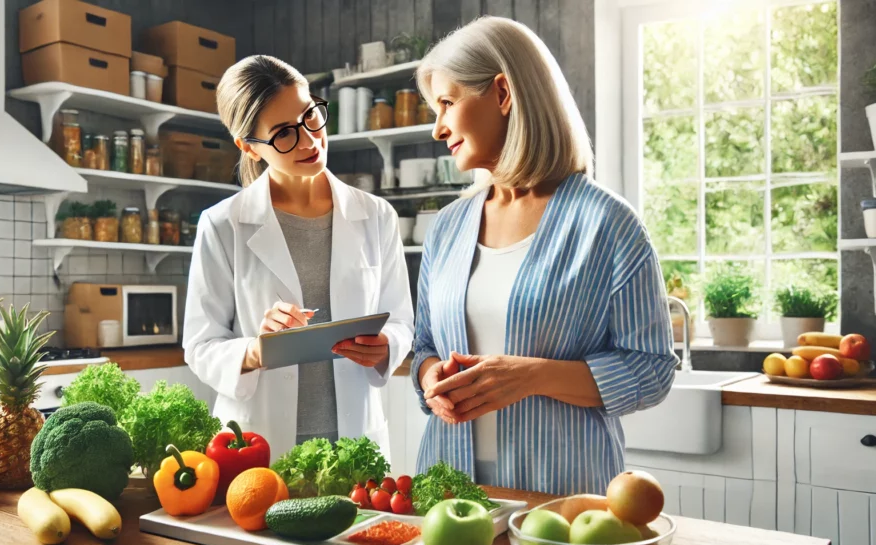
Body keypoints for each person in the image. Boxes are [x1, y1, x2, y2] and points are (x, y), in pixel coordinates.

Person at [411, 17, 678, 495]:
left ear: (502, 94)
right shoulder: (447, 227)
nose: (438, 128)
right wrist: (432, 379)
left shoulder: (608, 224)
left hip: (565, 497)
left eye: (447, 103)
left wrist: (532, 376)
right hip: (448, 492)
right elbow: (425, 345)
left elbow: (652, 368)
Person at [184, 55, 414, 460]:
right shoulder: (223, 225)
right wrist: (257, 349)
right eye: (284, 134)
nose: (309, 140)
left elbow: (400, 320)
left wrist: (387, 345)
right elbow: (201, 346)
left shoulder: (376, 216)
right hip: (259, 446)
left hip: (355, 441)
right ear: (249, 147)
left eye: (311, 117)